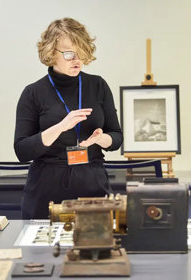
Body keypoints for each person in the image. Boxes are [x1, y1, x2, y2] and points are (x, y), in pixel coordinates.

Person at [14, 18, 123, 219]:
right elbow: (22, 150)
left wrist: (99, 139)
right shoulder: (33, 93)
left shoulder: (98, 85)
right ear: (50, 53)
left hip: (92, 185)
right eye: (69, 53)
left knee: (96, 247)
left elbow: (116, 137)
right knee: (43, 250)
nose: (77, 60)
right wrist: (60, 127)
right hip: (46, 189)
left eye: (81, 52)